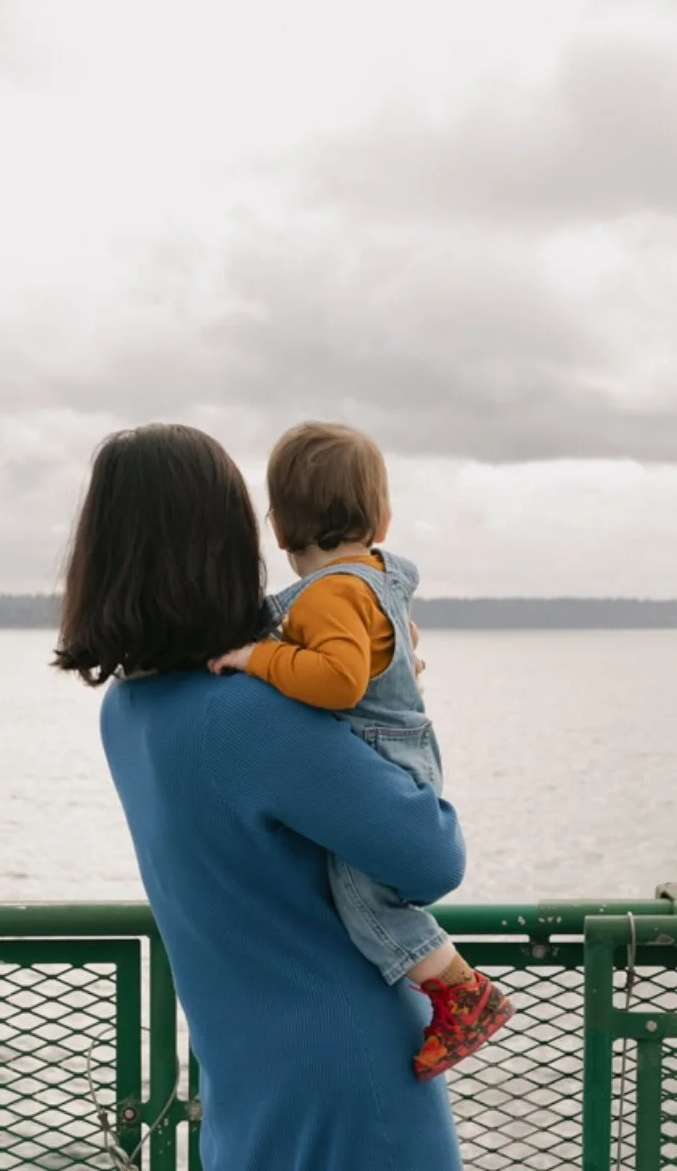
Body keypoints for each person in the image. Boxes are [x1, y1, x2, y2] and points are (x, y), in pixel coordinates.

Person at [55, 424, 466, 1171]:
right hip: (347, 1084)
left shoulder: (126, 712)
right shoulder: (248, 716)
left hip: (238, 1082)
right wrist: (394, 696)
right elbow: (430, 856)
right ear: (226, 543)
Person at [208, 421, 513, 1078]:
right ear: (383, 517)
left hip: (380, 750)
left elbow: (338, 681)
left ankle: (462, 991)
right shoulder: (378, 578)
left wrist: (259, 657)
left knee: (363, 896)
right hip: (407, 746)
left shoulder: (326, 596)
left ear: (281, 527)